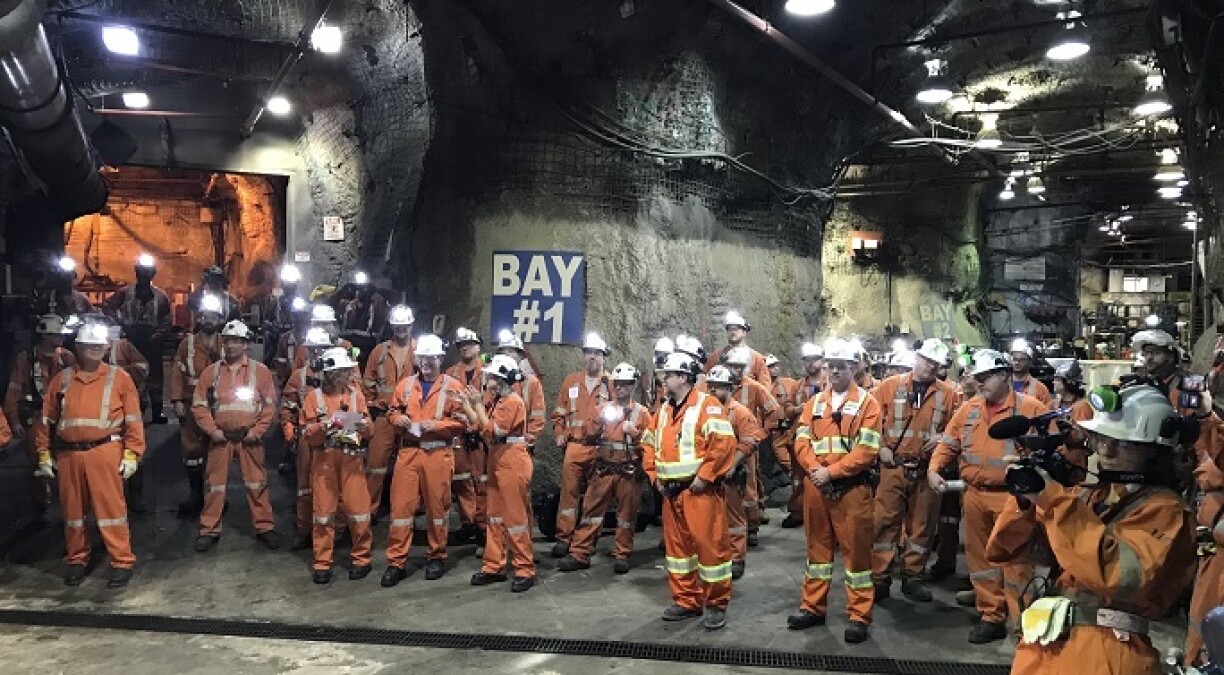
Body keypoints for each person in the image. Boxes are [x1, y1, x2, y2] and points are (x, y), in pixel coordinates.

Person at [986, 384, 1196, 673]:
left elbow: (1117, 576)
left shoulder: (1166, 510)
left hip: (1107, 652)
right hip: (1047, 645)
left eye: (1122, 442)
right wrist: (1026, 501)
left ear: (1154, 450)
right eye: (1101, 438)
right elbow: (1008, 550)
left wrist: (1054, 501)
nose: (1106, 449)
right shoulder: (1092, 495)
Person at [928, 349, 1046, 643]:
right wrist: (934, 468)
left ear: (1005, 375)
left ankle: (1024, 622)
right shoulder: (969, 409)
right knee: (980, 560)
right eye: (977, 378)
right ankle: (991, 614)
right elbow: (948, 443)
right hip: (975, 495)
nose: (980, 384)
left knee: (1016, 560)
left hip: (1013, 497)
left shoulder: (1031, 408)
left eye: (986, 377)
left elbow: (1050, 450)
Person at [34, 317, 145, 587]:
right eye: (88, 345)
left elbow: (133, 420)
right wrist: (43, 453)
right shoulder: (62, 380)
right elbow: (45, 420)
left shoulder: (120, 379)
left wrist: (132, 454)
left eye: (98, 346)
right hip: (69, 454)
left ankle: (121, 561)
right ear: (79, 347)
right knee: (73, 512)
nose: (93, 350)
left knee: (111, 510)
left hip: (105, 451)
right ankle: (76, 559)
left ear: (106, 348)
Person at [787, 338, 882, 644]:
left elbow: (867, 450)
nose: (836, 372)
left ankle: (859, 616)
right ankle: (813, 607)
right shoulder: (814, 403)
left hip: (851, 489)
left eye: (842, 366)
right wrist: (815, 469)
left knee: (857, 557)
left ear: (854, 367)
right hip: (817, 486)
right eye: (831, 366)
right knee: (817, 552)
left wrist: (831, 472)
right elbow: (801, 441)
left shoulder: (869, 404)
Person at [642, 351, 736, 629]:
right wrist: (654, 477)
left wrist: (705, 477)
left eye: (668, 375)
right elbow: (648, 445)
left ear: (683, 377)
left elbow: (723, 445)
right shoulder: (664, 410)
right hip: (671, 493)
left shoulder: (707, 405)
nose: (664, 380)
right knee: (678, 552)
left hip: (700, 492)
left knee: (710, 549)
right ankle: (686, 601)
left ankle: (717, 604)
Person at [870, 339, 959, 603]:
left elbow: (957, 429)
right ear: (916, 358)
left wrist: (942, 437)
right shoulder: (888, 387)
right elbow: (869, 423)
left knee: (922, 527)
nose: (930, 367)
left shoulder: (949, 394)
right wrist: (880, 449)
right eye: (927, 360)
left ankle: (913, 576)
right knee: (884, 522)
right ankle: (880, 577)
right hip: (893, 466)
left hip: (926, 469)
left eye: (936, 363)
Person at [381, 335, 467, 586]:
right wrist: (397, 420)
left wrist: (438, 425)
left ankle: (436, 556)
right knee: (401, 509)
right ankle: (396, 562)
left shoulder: (454, 387)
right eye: (422, 358)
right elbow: (392, 412)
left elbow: (464, 422)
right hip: (408, 452)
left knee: (437, 509)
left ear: (440, 358)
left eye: (431, 358)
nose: (426, 362)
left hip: (438, 454)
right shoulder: (405, 385)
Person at [191, 320, 280, 552]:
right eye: (228, 341)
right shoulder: (211, 373)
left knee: (257, 484)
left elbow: (269, 405)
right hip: (221, 438)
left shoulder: (260, 372)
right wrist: (212, 431)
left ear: (246, 344)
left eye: (237, 341)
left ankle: (264, 527)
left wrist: (257, 431)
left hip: (249, 438)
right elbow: (199, 405)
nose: (231, 346)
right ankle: (209, 529)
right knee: (214, 486)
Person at [558, 362, 654, 574]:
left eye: (625, 385)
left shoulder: (642, 413)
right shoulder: (601, 409)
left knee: (626, 516)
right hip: (603, 469)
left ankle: (622, 554)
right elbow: (587, 436)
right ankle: (579, 553)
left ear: (633, 385)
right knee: (590, 513)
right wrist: (597, 423)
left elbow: (650, 443)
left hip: (629, 471)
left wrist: (635, 433)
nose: (620, 388)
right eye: (617, 384)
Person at [452, 355, 537, 592]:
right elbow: (482, 427)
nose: (488, 380)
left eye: (492, 376)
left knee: (515, 518)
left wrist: (477, 405)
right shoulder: (498, 401)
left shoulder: (512, 402)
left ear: (502, 379)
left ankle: (524, 568)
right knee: (495, 516)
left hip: (512, 459)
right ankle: (493, 566)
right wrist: (469, 405)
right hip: (498, 458)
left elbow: (496, 430)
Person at [299, 347, 374, 584]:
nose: (346, 376)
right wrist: (324, 426)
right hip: (324, 459)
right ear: (330, 374)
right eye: (341, 372)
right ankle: (322, 563)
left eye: (346, 371)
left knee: (359, 510)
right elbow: (308, 435)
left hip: (351, 458)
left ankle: (362, 559)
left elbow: (369, 428)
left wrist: (362, 426)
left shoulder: (355, 395)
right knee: (323, 513)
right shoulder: (315, 397)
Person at [4, 314, 76, 517]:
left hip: (62, 417)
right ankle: (41, 501)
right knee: (37, 462)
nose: (62, 338)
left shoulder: (67, 358)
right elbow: (14, 391)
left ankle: (69, 500)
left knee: (65, 458)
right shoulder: (26, 359)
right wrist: (15, 421)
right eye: (57, 335)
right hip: (36, 418)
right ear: (46, 336)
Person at [550, 333, 612, 558]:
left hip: (600, 448)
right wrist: (560, 433)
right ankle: (563, 539)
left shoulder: (611, 383)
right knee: (569, 495)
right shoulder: (571, 381)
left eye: (597, 353)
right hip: (574, 447)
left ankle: (586, 541)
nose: (592, 357)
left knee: (594, 499)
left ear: (604, 356)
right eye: (588, 352)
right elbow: (558, 414)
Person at [704, 365, 765, 580]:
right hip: (709, 474)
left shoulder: (740, 412)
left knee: (734, 518)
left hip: (730, 474)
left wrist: (732, 465)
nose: (712, 392)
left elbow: (749, 442)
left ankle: (737, 558)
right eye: (710, 387)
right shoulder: (704, 411)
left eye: (717, 388)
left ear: (729, 388)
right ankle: (717, 555)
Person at [280, 327, 336, 548]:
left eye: (322, 349)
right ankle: (304, 531)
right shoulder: (299, 376)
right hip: (307, 437)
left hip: (334, 437)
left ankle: (335, 532)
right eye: (313, 350)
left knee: (333, 485)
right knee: (304, 485)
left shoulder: (339, 375)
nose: (317, 354)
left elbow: (351, 406)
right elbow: (288, 406)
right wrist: (288, 427)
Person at [170, 295, 224, 518]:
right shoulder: (188, 344)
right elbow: (177, 372)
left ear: (220, 318)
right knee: (192, 451)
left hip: (219, 405)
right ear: (199, 317)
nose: (208, 319)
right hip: (192, 403)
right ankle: (196, 494)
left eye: (213, 316)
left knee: (218, 452)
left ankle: (215, 498)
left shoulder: (227, 342)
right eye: (205, 316)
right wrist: (176, 401)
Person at [102, 254, 172, 424]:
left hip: (152, 341)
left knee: (155, 377)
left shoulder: (161, 296)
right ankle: (131, 408)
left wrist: (157, 336)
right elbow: (107, 306)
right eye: (141, 273)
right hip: (131, 339)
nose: (144, 277)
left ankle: (156, 412)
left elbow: (167, 320)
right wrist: (120, 323)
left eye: (147, 273)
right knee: (130, 373)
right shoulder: (125, 293)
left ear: (152, 275)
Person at [722, 346, 780, 548]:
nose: (735, 370)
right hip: (722, 446)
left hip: (747, 446)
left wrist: (760, 435)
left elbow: (774, 412)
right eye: (731, 366)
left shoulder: (755, 387)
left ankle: (751, 527)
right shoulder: (717, 387)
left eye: (739, 367)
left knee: (749, 487)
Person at [362, 305, 417, 516]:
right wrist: (372, 405)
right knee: (375, 464)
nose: (401, 329)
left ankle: (408, 509)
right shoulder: (380, 351)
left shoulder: (420, 350)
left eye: (405, 325)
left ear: (411, 325)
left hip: (411, 417)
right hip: (384, 415)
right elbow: (368, 381)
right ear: (392, 326)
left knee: (411, 466)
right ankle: (369, 511)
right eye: (397, 326)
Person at [446, 327, 485, 542]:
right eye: (461, 345)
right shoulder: (451, 373)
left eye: (469, 344)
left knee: (480, 481)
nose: (466, 348)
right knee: (460, 480)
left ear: (478, 346)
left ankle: (481, 525)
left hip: (480, 433)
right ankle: (467, 523)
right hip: (459, 432)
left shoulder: (488, 371)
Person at [705, 311, 771, 386]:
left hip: (746, 396)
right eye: (730, 329)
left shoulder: (757, 359)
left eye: (736, 329)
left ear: (744, 332)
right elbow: (705, 381)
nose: (733, 332)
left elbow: (765, 388)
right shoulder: (716, 356)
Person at [1010, 338, 1051, 405]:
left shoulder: (1040, 389)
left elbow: (1047, 413)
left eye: (1022, 359)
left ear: (1030, 362)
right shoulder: (1002, 385)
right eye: (1015, 359)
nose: (1017, 362)